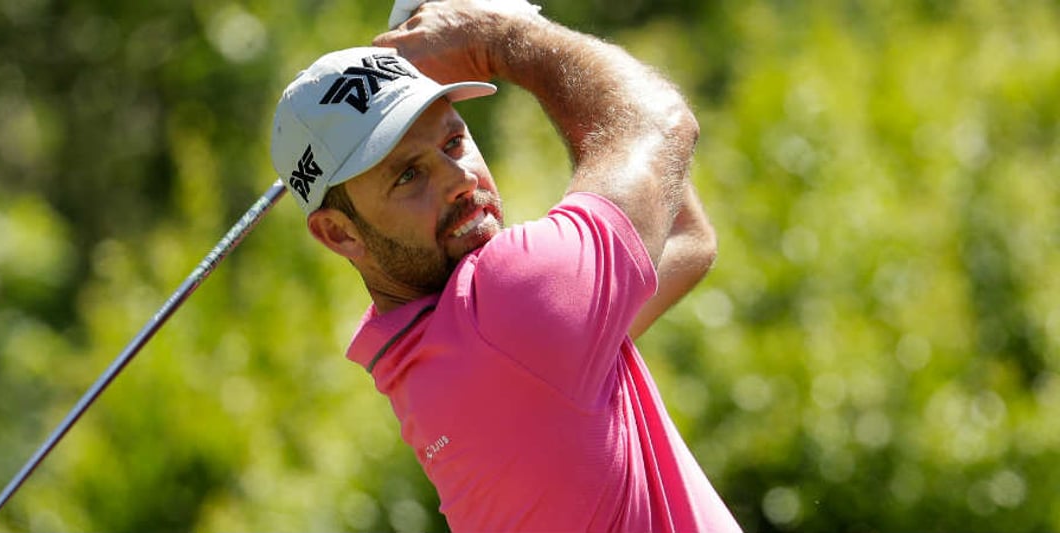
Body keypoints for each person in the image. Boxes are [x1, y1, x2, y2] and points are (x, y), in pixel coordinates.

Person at [269, 1, 738, 530]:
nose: (458, 179)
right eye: (407, 176)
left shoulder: (416, 359)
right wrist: (505, 35)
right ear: (339, 232)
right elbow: (660, 120)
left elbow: (681, 235)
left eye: (454, 141)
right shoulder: (505, 304)